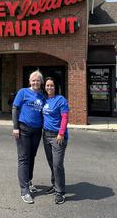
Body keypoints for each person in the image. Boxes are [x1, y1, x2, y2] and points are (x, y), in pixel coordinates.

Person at [12, 70, 45, 204]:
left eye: (38, 80)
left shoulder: (42, 96)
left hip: (37, 131)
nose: (35, 82)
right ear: (30, 81)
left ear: (41, 82)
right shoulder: (23, 92)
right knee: (24, 159)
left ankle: (28, 180)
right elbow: (15, 108)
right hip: (23, 129)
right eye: (33, 80)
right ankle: (24, 190)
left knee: (32, 157)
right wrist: (15, 127)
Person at [42, 76, 69, 205]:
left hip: (58, 136)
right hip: (45, 135)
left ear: (55, 87)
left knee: (57, 164)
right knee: (52, 163)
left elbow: (64, 117)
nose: (49, 87)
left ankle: (60, 192)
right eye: (47, 85)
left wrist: (61, 133)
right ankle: (55, 185)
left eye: (51, 85)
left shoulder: (60, 100)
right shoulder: (45, 99)